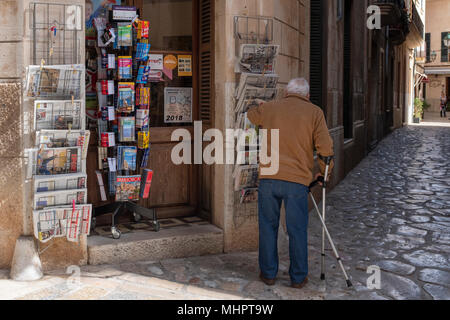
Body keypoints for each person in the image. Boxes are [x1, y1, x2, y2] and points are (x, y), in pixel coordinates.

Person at [247, 78, 334, 289]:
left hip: (269, 178)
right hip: (296, 181)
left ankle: (268, 274)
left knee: (268, 227)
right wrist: (324, 174)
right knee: (297, 229)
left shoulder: (270, 108)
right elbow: (325, 149)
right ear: (307, 96)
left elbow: (251, 115)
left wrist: (257, 105)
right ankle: (298, 278)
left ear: (286, 93)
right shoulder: (314, 112)